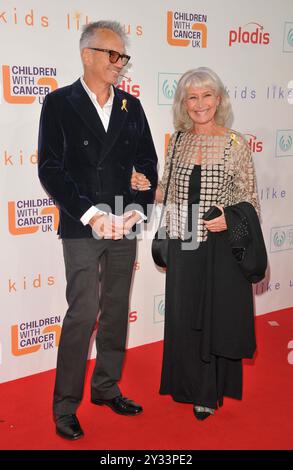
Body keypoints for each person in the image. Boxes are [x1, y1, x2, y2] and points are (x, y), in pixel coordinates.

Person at [38, 20, 158, 440]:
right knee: (83, 312)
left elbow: (148, 163)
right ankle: (65, 407)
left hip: (124, 222)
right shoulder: (58, 104)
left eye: (122, 55)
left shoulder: (132, 106)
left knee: (115, 311)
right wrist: (91, 214)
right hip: (83, 224)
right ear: (86, 54)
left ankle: (106, 387)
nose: (119, 62)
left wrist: (137, 211)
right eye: (112, 54)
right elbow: (50, 168)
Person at [131, 67, 265, 421]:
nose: (200, 104)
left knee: (211, 320)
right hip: (181, 242)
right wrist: (144, 185)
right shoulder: (177, 140)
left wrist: (230, 217)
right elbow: (168, 190)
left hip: (217, 247)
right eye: (192, 97)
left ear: (218, 99)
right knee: (183, 316)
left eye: (207, 96)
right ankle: (185, 384)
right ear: (183, 103)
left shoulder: (235, 143)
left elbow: (249, 198)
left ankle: (207, 392)